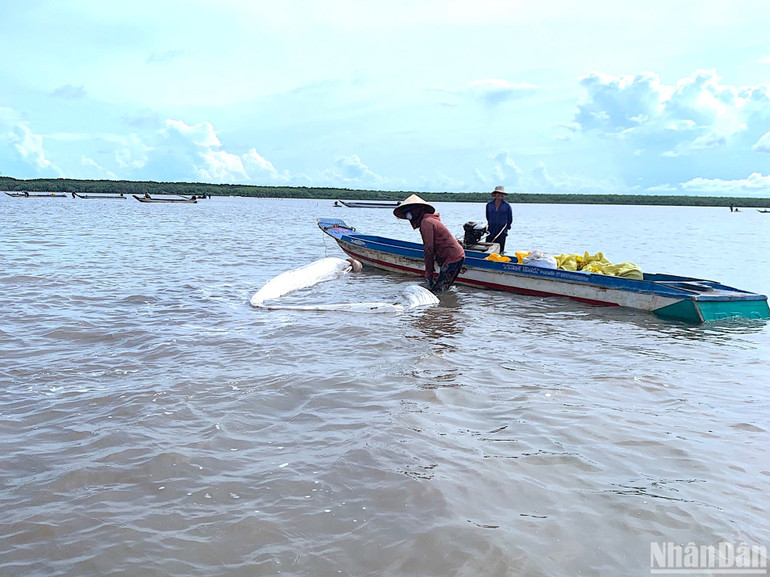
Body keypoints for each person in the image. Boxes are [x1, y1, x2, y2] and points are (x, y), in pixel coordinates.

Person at [394, 194, 465, 293]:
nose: (409, 216)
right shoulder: (429, 221)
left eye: (411, 211)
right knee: (443, 289)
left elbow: (429, 250)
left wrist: (428, 276)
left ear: (420, 209)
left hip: (453, 258)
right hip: (454, 256)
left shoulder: (426, 223)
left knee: (438, 291)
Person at [486, 185, 513, 253]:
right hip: (490, 230)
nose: (500, 195)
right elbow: (487, 217)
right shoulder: (489, 205)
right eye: (498, 193)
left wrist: (507, 227)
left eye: (501, 194)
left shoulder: (507, 206)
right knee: (488, 248)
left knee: (500, 250)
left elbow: (510, 219)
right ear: (495, 194)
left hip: (502, 231)